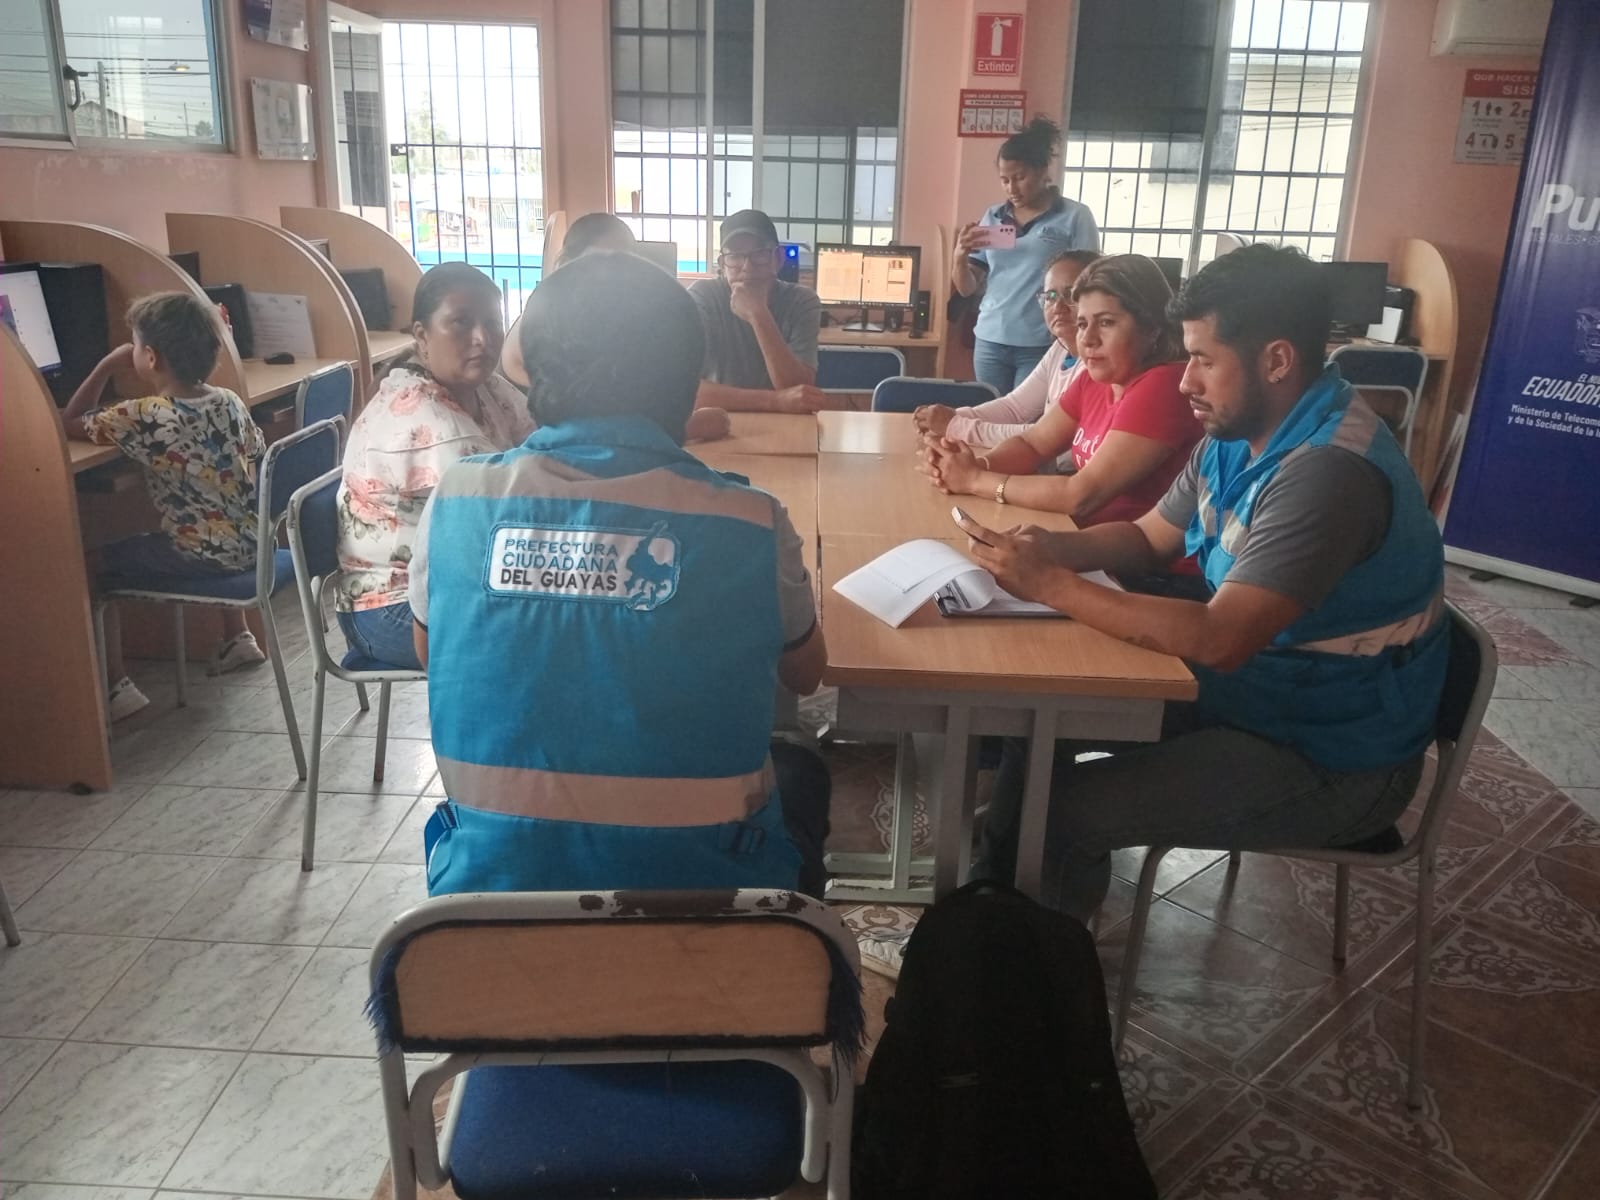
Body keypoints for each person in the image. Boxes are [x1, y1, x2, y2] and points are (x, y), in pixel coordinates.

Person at [957, 244, 1448, 920]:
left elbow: (1221, 638)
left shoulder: (1327, 473)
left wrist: (1053, 585)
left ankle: (1028, 959)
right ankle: (989, 913)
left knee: (1063, 812)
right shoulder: (1238, 429)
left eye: (1203, 360)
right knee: (1038, 716)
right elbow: (1148, 537)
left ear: (1277, 360)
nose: (1185, 380)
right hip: (1259, 694)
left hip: (1331, 754)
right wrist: (1052, 550)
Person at [411, 250, 831, 896]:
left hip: (486, 906)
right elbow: (805, 674)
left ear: (534, 369)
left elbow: (428, 651)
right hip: (712, 906)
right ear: (686, 378)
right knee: (801, 769)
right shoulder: (751, 519)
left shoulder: (456, 499)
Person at [62, 292, 267, 720]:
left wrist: (106, 365)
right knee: (214, 514)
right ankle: (238, 637)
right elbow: (252, 451)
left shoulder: (145, 415)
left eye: (135, 345)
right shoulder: (228, 401)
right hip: (253, 544)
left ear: (150, 357)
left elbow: (68, 422)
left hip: (199, 555)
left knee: (93, 564)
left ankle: (116, 686)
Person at [335, 262, 534, 671]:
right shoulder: (426, 418)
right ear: (422, 336)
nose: (482, 338)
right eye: (461, 322)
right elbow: (511, 513)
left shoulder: (485, 386)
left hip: (448, 585)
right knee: (545, 635)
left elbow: (541, 443)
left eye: (492, 323)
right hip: (388, 607)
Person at [922, 254, 1201, 530]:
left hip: (1126, 554)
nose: (1088, 339)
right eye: (1082, 324)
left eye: (1106, 322)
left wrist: (974, 480)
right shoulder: (1095, 379)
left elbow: (1080, 495)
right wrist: (972, 465)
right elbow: (1033, 444)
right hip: (1080, 534)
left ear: (1151, 328)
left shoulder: (1165, 385)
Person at [501, 212, 732, 442]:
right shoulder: (545, 323)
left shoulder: (603, 319)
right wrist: (688, 426)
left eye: (625, 260)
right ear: (567, 263)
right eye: (599, 260)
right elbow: (592, 425)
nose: (615, 272)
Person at [953, 117, 1100, 394]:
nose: (1012, 188)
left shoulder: (1074, 216)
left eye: (1020, 178)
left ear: (1043, 171)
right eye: (1005, 180)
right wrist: (959, 257)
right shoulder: (994, 216)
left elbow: (1090, 283)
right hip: (990, 338)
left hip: (1041, 341)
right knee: (988, 409)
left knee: (1028, 416)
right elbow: (967, 288)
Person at [912, 248, 1098, 464]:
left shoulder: (1096, 366)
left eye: (1071, 295)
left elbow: (1039, 436)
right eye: (1050, 296)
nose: (1057, 306)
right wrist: (954, 416)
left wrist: (955, 425)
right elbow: (1014, 407)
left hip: (1066, 472)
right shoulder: (1060, 349)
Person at [688, 208, 828, 414]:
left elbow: (799, 390)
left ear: (778, 259)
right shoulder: (703, 297)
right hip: (719, 419)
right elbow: (685, 390)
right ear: (722, 264)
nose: (747, 267)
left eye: (759, 254)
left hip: (786, 423)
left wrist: (758, 314)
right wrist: (775, 401)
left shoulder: (802, 301)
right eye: (735, 256)